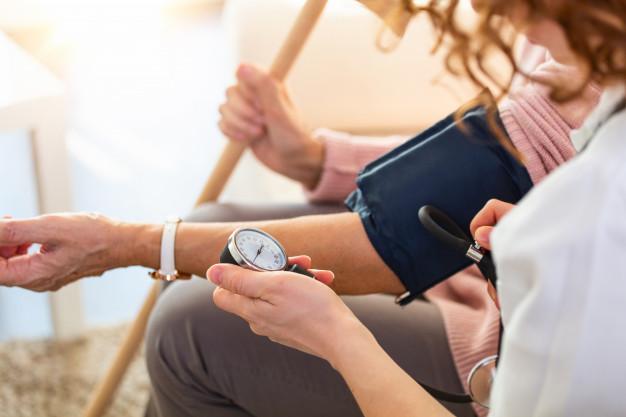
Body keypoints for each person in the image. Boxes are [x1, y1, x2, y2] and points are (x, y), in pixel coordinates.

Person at [0, 2, 604, 417]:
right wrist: (315, 159)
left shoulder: (602, 120)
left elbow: (394, 241)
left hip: (502, 355)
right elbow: (483, 159)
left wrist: (122, 244)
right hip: (477, 273)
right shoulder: (582, 54)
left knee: (188, 327)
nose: (492, 16)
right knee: (216, 218)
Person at [203, 1, 626, 416]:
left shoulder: (591, 214)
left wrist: (338, 337)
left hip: (493, 347)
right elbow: (465, 163)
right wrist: (316, 159)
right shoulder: (591, 132)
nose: (479, 9)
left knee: (191, 329)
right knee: (208, 238)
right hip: (489, 296)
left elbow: (404, 224)